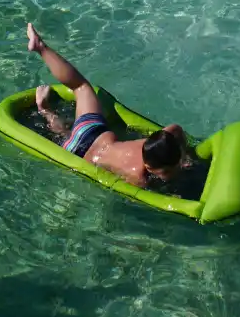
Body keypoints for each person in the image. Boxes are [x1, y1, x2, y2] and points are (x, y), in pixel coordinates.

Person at [21, 25, 201, 194]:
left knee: (81, 87)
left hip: (91, 131)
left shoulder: (157, 143)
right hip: (78, 154)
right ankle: (44, 109)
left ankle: (41, 48)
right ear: (149, 168)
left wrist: (183, 155)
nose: (174, 171)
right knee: (65, 135)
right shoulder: (137, 177)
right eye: (167, 172)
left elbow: (175, 128)